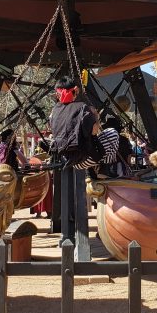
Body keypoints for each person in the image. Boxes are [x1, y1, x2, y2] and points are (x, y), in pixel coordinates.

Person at [49, 76, 97, 260]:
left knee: (69, 192)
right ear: (75, 90)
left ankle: (66, 237)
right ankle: (82, 246)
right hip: (82, 156)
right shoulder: (82, 108)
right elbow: (92, 131)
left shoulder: (55, 110)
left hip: (63, 155)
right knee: (80, 193)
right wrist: (95, 117)